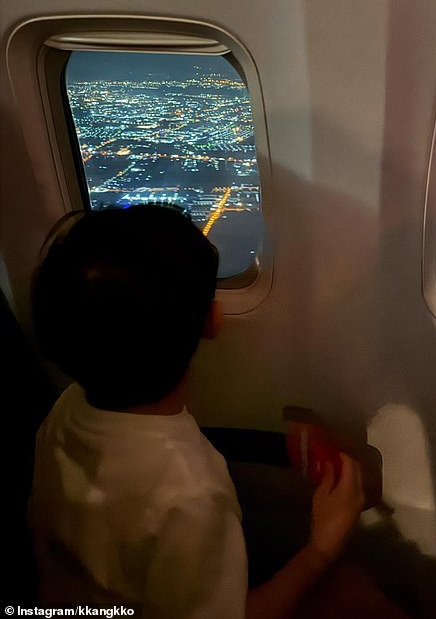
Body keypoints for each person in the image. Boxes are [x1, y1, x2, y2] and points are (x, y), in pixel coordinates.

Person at [29, 204, 367, 619]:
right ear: (213, 321)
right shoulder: (190, 493)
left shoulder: (65, 412)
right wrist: (321, 551)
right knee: (351, 592)